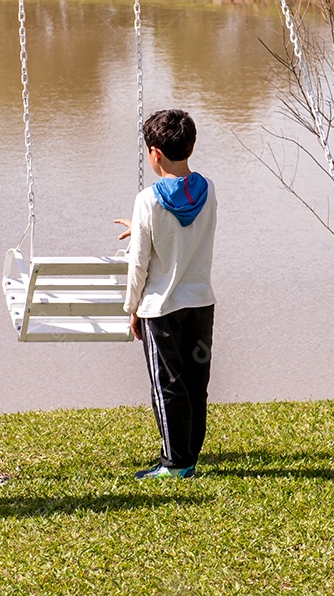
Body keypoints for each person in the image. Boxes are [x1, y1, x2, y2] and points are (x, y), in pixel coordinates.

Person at [116, 109, 217, 479]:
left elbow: (139, 264)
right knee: (195, 383)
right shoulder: (208, 189)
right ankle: (188, 457)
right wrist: (142, 226)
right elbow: (185, 232)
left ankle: (175, 464)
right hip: (201, 304)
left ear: (154, 153)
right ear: (191, 147)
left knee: (167, 386)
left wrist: (133, 308)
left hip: (160, 308)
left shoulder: (148, 200)